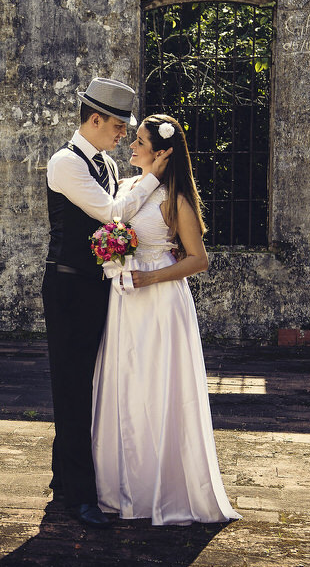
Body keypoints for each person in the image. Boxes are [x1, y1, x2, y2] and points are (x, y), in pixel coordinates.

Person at [91, 114, 240, 526]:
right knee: (124, 386)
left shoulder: (176, 200)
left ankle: (162, 490)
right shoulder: (126, 187)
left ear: (161, 153)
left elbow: (199, 260)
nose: (131, 146)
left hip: (159, 302)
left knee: (157, 388)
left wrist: (149, 277)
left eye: (139, 141)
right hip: (124, 301)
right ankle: (119, 486)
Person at [43, 78, 171, 528]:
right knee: (73, 387)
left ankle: (65, 479)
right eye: (119, 127)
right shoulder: (65, 163)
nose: (122, 136)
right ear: (95, 119)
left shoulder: (108, 167)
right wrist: (153, 175)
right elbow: (114, 215)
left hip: (100, 286)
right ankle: (78, 495)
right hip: (68, 286)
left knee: (94, 384)